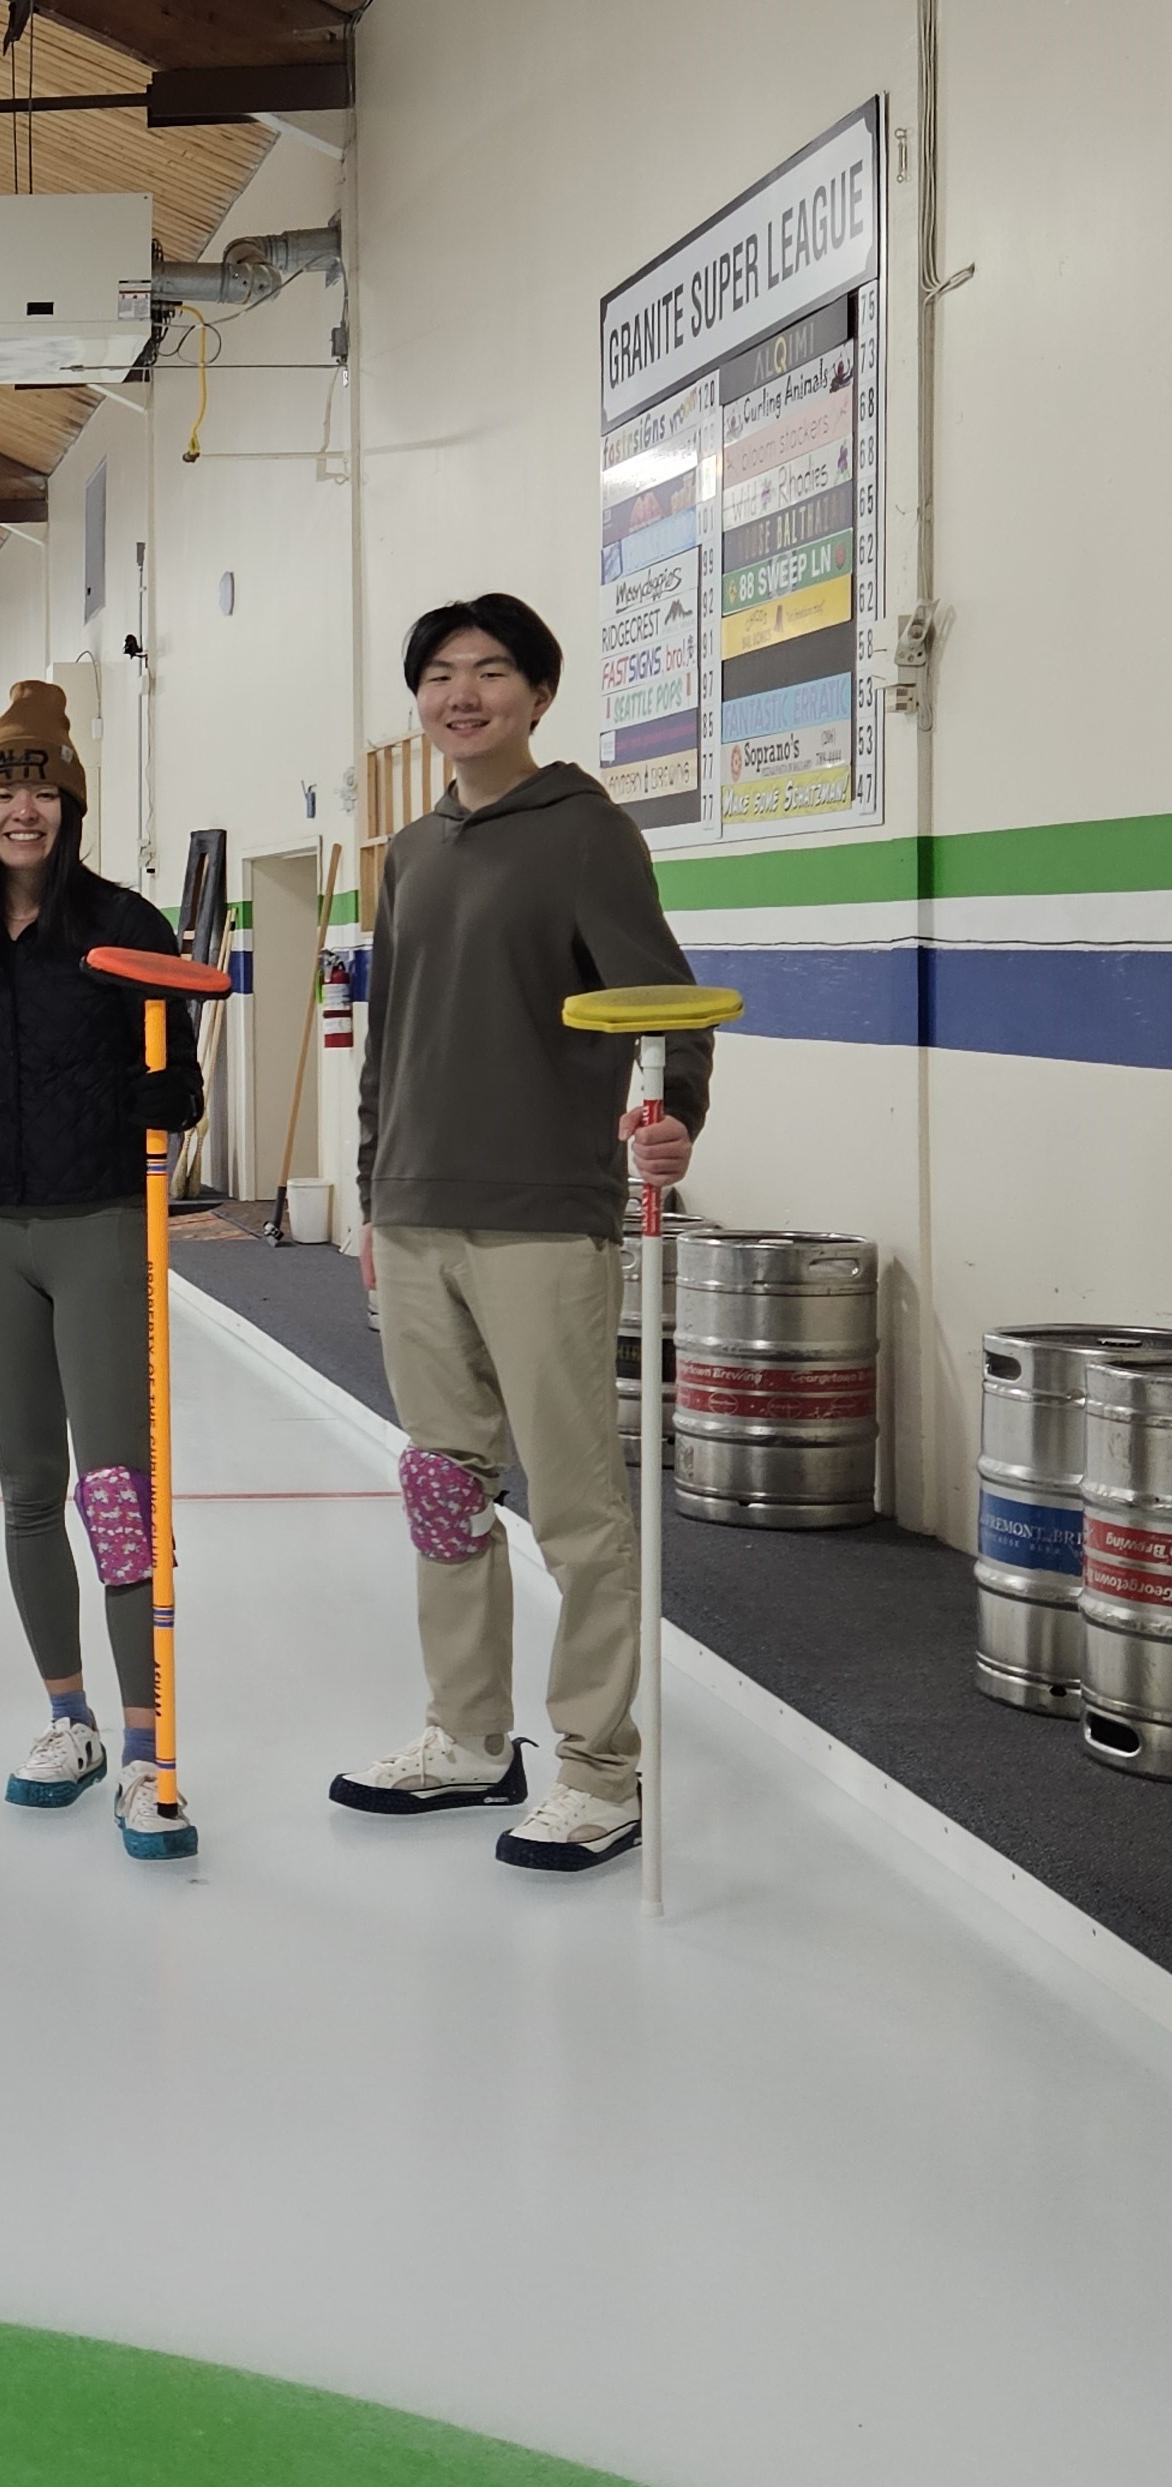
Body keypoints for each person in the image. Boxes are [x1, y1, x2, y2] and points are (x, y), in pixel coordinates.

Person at [335, 594, 713, 1873]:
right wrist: (374, 1186)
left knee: (577, 1505)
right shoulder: (411, 851)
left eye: (491, 671)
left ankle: (601, 1768)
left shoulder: (587, 834)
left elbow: (661, 1005)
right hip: (420, 1209)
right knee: (444, 1485)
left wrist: (676, 1122)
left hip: (544, 1213)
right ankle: (468, 1737)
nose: (464, 693)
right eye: (440, 674)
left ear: (540, 695)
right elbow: (389, 1039)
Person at [0, 679, 207, 1854]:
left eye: (41, 788)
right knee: (28, 1486)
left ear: (68, 804)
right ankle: (67, 1717)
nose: (22, 809)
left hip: (99, 1229)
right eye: (3, 790)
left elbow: (179, 1067)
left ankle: (145, 1747)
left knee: (115, 1489)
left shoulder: (125, 924)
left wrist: (163, 1103)